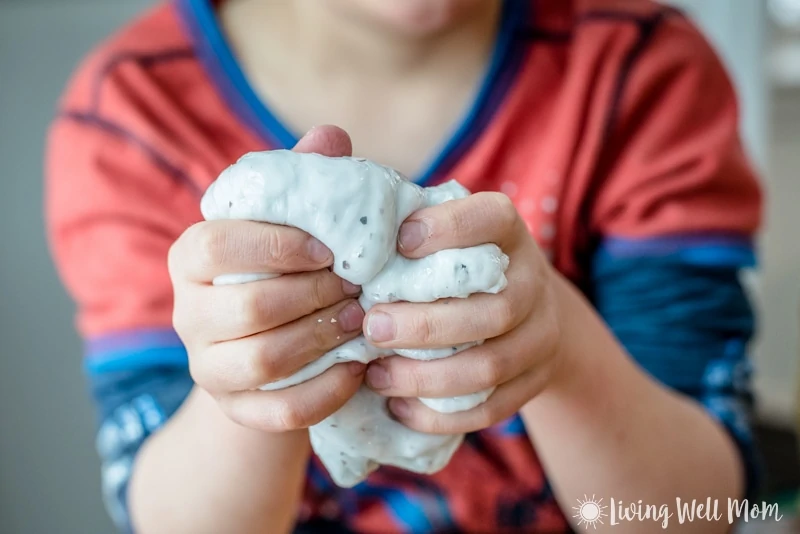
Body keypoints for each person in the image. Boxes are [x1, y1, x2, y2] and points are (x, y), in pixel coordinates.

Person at [45, 0, 763, 532]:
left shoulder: (640, 71)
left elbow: (690, 513)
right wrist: (256, 374)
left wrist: (561, 349)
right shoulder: (132, 115)